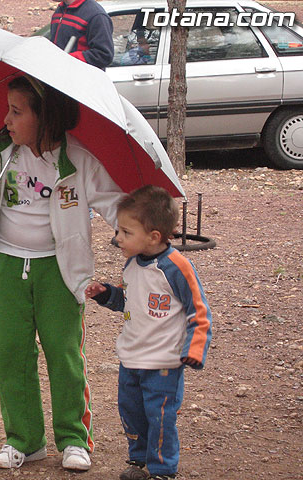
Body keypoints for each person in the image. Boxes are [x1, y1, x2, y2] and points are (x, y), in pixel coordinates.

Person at [0, 75, 124, 471]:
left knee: (64, 353)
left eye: (17, 112)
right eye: (8, 110)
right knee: (11, 353)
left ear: (45, 116)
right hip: (5, 264)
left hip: (60, 270)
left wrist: (139, 231)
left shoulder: (78, 159)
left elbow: (113, 202)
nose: (7, 119)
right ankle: (24, 439)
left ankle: (73, 439)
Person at [85, 185, 213, 480]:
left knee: (161, 416)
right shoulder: (132, 264)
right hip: (130, 357)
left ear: (154, 236)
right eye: (119, 231)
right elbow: (130, 302)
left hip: (164, 363)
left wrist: (194, 349)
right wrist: (107, 294)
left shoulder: (177, 267)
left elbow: (199, 310)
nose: (118, 239)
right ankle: (139, 460)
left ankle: (162, 469)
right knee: (131, 411)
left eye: (126, 233)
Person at [50, 0, 114, 70]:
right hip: (59, 75)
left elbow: (104, 55)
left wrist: (68, 59)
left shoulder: (96, 15)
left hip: (82, 78)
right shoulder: (60, 10)